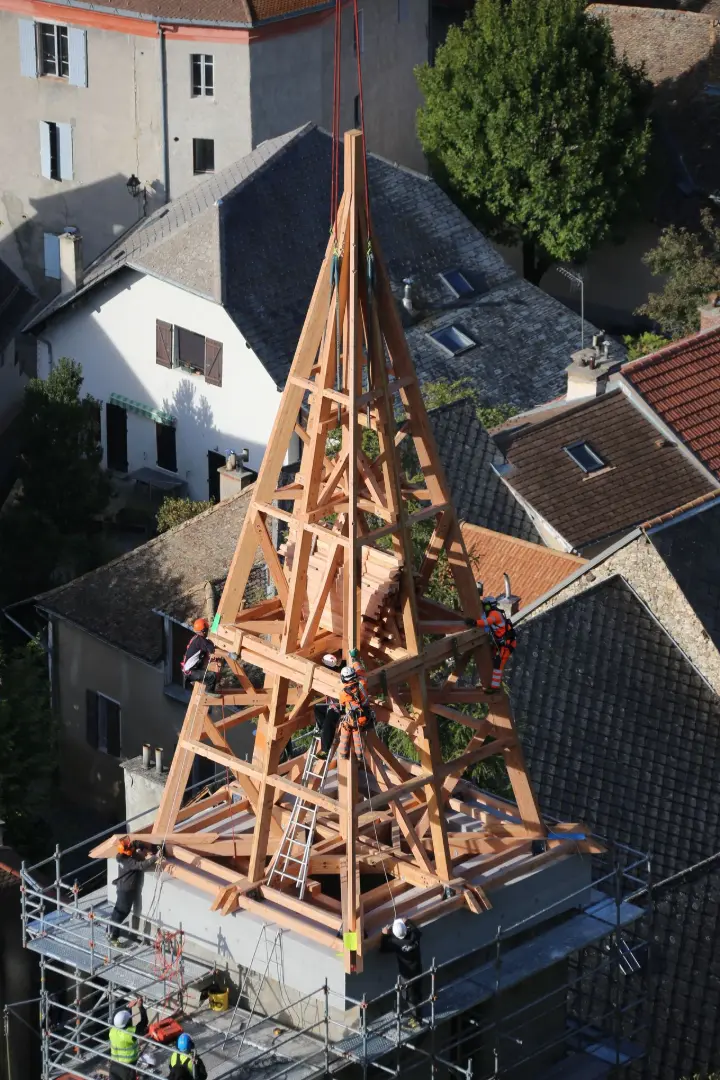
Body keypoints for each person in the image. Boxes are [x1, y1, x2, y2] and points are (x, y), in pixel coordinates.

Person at [108, 838, 158, 947]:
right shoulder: (128, 862)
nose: (131, 846)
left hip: (122, 889)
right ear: (127, 851)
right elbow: (141, 865)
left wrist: (142, 846)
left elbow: (134, 843)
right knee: (122, 913)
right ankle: (113, 937)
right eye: (129, 847)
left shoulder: (120, 856)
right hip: (126, 891)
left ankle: (109, 930)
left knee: (117, 911)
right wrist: (156, 857)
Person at [465, 597, 517, 692]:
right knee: (491, 661)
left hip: (507, 644)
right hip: (500, 643)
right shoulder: (491, 614)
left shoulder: (495, 614)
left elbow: (487, 622)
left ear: (490, 606)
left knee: (498, 664)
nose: (485, 608)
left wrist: (474, 622)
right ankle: (488, 683)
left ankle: (495, 688)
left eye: (486, 606)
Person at [381, 918, 424, 1028]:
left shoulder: (396, 942)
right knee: (417, 992)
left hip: (407, 975)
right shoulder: (414, 937)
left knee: (409, 997)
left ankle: (416, 1020)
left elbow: (383, 948)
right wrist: (408, 921)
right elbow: (417, 931)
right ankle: (418, 1012)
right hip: (418, 970)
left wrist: (385, 934)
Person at [337, 649, 374, 762]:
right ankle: (360, 755)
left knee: (345, 730)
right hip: (364, 716)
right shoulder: (362, 683)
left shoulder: (343, 693)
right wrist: (354, 659)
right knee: (357, 734)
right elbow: (360, 670)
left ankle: (343, 754)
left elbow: (342, 703)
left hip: (352, 719)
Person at [108, 997, 148, 1079]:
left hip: (114, 1065)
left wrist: (127, 1006)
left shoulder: (112, 1030)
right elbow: (144, 1022)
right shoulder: (129, 1033)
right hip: (127, 1068)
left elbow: (115, 1014)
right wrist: (140, 1007)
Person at [314, 653, 343, 760]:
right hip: (332, 704)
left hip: (339, 706)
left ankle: (325, 750)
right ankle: (322, 731)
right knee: (317, 708)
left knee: (328, 723)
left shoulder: (336, 676)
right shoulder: (333, 674)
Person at [182, 618, 220, 695]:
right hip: (190, 673)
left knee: (209, 673)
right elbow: (212, 650)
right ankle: (209, 691)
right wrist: (229, 654)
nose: (207, 631)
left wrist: (217, 620)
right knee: (212, 676)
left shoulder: (197, 639)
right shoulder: (200, 641)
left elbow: (208, 644)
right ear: (203, 631)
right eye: (206, 630)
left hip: (191, 669)